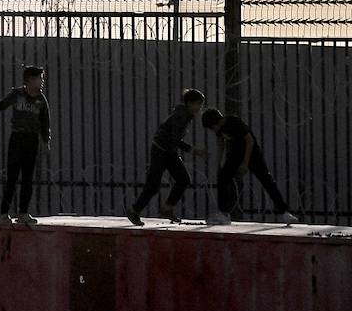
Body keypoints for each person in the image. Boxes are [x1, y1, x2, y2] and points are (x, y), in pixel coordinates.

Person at [200, 108, 298, 225]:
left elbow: (249, 141)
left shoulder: (234, 122)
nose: (213, 130)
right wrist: (219, 163)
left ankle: (284, 212)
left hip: (251, 153)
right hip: (236, 154)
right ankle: (223, 213)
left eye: (212, 127)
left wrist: (245, 164)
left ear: (217, 121)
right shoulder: (219, 129)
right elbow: (221, 143)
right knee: (222, 178)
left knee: (266, 180)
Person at [125, 88, 207, 226]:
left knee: (183, 179)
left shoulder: (186, 115)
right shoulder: (180, 116)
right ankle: (134, 210)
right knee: (153, 185)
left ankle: (167, 208)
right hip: (160, 150)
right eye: (198, 104)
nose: (200, 107)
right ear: (189, 103)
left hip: (169, 151)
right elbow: (174, 138)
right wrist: (192, 150)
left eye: (201, 104)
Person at [0, 65, 52, 224]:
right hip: (17, 138)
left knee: (27, 178)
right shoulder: (17, 95)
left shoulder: (41, 99)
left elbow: (45, 121)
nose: (41, 82)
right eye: (39, 78)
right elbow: (1, 105)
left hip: (31, 140)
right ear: (30, 79)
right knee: (12, 177)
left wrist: (46, 140)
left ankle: (23, 213)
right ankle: (4, 213)